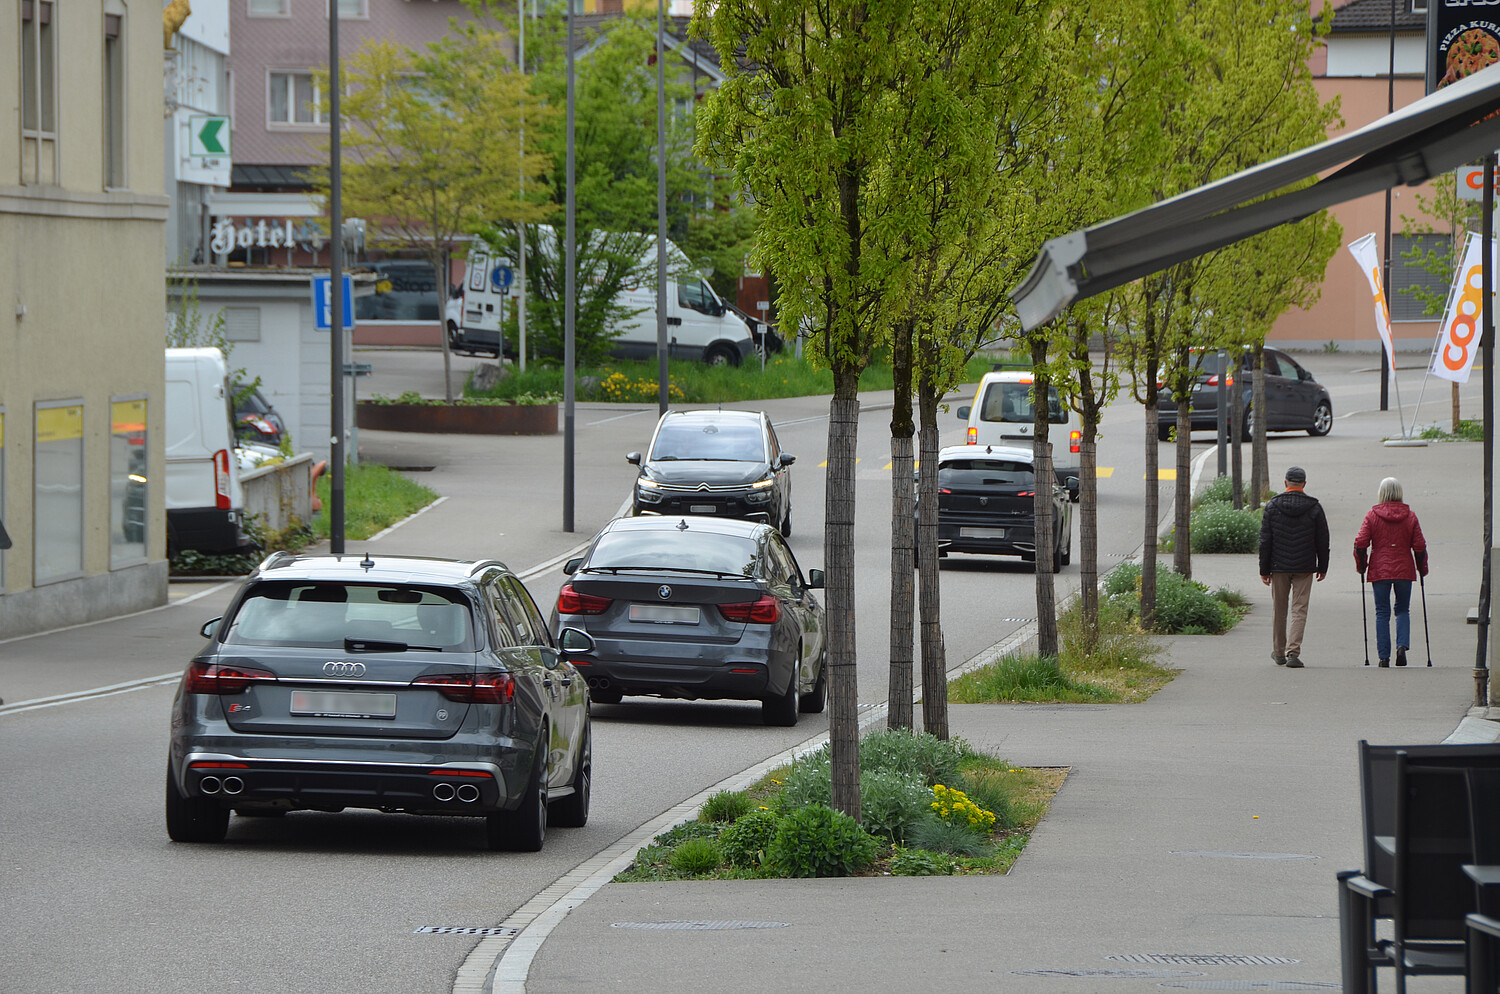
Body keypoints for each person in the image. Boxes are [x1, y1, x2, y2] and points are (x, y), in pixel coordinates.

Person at [1258, 466, 1330, 668]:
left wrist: (1264, 570)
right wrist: (1322, 566)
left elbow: (1265, 540)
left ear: (1285, 483)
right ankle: (1293, 652)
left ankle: (1278, 652)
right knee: (1299, 609)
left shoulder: (1273, 506)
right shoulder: (1314, 507)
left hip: (1278, 565)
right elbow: (1322, 540)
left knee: (1279, 609)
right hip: (1305, 565)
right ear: (1304, 484)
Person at [1353, 477, 1428, 667]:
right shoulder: (1410, 516)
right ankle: (1401, 646)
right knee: (1402, 609)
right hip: (1404, 568)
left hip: (1380, 569)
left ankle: (1383, 657)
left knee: (1382, 612)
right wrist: (1422, 569)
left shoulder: (1372, 515)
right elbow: (1419, 546)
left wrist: (1361, 565)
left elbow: (1360, 543)